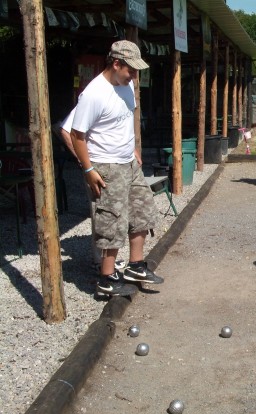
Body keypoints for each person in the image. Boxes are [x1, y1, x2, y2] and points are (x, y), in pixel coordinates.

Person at [70, 40, 163, 297]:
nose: (135, 75)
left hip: (128, 161)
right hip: (106, 165)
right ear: (116, 63)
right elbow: (77, 135)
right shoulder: (94, 94)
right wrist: (89, 170)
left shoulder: (128, 85)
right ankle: (107, 278)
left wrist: (132, 146)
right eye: (130, 70)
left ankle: (135, 266)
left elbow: (128, 116)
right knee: (111, 220)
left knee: (143, 210)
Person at [54, 109, 125, 273]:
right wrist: (85, 163)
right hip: (98, 168)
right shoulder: (93, 97)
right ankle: (99, 262)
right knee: (101, 213)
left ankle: (103, 260)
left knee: (109, 214)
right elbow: (65, 130)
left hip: (112, 166)